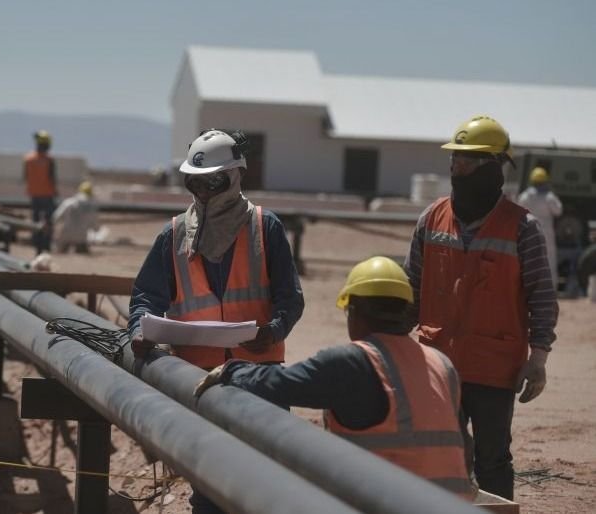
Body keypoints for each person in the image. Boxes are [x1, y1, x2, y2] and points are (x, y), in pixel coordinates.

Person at [128, 129, 304, 513]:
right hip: (199, 381)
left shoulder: (264, 227)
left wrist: (272, 330)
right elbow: (146, 296)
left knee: (264, 484)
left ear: (236, 176)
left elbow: (290, 298)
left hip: (260, 377)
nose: (205, 193)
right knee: (208, 485)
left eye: (214, 182)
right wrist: (140, 329)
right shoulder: (174, 234)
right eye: (196, 183)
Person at [194, 256, 473, 499]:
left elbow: (280, 383)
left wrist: (233, 370)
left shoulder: (353, 363)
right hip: (450, 504)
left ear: (354, 312)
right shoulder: (442, 365)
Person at [404, 115, 558, 500]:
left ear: (493, 167)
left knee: (491, 460)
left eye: (467, 161)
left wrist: (537, 359)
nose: (456, 168)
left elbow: (542, 296)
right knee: (442, 455)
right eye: (454, 160)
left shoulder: (523, 227)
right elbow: (411, 290)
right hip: (436, 363)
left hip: (494, 369)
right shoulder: (431, 218)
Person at [517, 167, 563, 290]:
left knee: (528, 258)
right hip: (546, 232)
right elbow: (558, 211)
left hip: (529, 230)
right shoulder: (549, 197)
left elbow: (518, 210)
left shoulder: (525, 196)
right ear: (545, 181)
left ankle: (525, 287)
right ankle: (551, 288)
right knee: (549, 259)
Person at [24, 130, 57, 254]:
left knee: (36, 222)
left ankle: (37, 247)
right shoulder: (49, 160)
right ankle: (46, 247)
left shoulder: (28, 159)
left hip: (34, 195)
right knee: (48, 223)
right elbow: (52, 178)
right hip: (47, 195)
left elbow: (26, 177)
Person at [52, 180, 99, 254]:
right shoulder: (91, 207)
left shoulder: (68, 202)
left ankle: (62, 248)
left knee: (60, 251)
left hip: (66, 234)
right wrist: (96, 230)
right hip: (81, 237)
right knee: (82, 250)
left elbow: (56, 217)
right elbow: (95, 224)